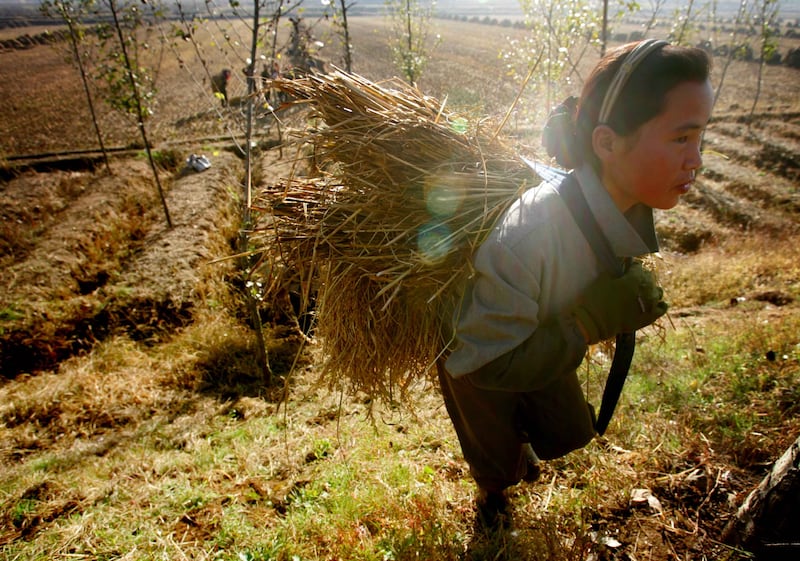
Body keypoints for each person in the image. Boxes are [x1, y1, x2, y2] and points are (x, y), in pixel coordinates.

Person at [438, 39, 714, 531]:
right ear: (606, 143)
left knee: (566, 429)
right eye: (680, 139)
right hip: (479, 354)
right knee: (499, 460)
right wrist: (588, 321)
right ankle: (492, 497)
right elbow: (481, 361)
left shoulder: (624, 196)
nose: (696, 160)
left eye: (700, 139)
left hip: (538, 323)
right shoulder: (532, 236)